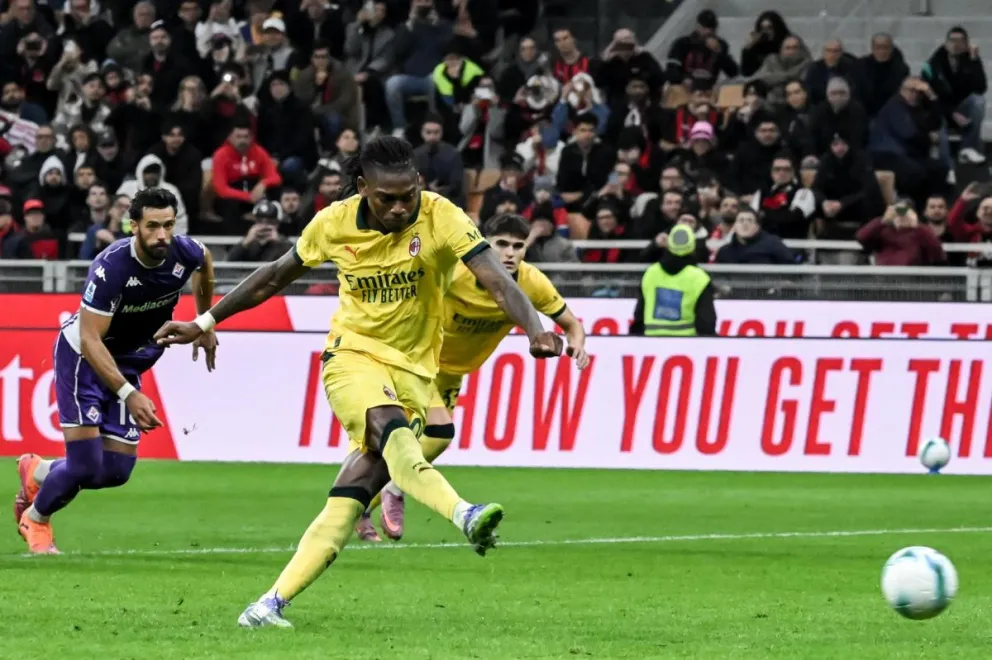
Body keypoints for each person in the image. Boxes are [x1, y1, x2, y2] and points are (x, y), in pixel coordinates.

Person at [152, 137, 565, 628]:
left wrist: (534, 329)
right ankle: (464, 514)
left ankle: (267, 605)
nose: (400, 207)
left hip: (415, 373)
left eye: (408, 196)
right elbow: (275, 275)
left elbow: (496, 278)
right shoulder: (334, 222)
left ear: (419, 185)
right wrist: (204, 320)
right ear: (363, 188)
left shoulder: (442, 215)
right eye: (387, 198)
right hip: (352, 356)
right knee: (393, 434)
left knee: (352, 493)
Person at [355, 213, 589, 542]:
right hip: (417, 361)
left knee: (411, 445)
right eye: (501, 244)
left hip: (452, 375)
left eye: (518, 246)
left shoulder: (531, 282)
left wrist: (577, 344)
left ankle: (361, 503)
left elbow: (572, 324)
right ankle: (393, 489)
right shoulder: (455, 271)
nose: (510, 253)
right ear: (484, 244)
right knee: (439, 433)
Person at [13, 188, 217, 554]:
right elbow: (90, 339)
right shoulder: (112, 268)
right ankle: (36, 518)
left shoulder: (184, 251)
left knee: (116, 470)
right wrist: (129, 393)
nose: (162, 235)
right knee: (85, 464)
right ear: (133, 226)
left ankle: (38, 471)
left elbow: (204, 261)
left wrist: (205, 322)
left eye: (168, 225)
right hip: (83, 357)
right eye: (152, 226)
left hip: (126, 360)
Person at [629, 224, 716, 337]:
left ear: (669, 244)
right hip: (686, 341)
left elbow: (639, 315)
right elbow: (706, 323)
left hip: (651, 340)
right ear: (693, 245)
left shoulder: (651, 273)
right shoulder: (699, 277)